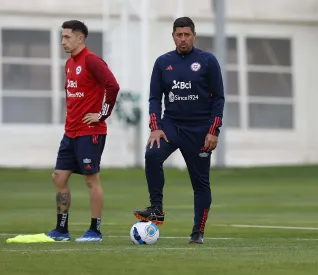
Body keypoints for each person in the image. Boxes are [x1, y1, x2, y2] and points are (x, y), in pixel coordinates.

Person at [133, 16, 225, 244]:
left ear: (194, 35)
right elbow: (154, 98)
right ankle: (156, 208)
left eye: (187, 35)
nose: (183, 39)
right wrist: (155, 128)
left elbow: (219, 99)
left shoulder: (207, 61)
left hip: (200, 131)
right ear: (173, 36)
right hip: (171, 126)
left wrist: (214, 130)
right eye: (178, 35)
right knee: (152, 155)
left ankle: (197, 233)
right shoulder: (163, 62)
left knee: (200, 183)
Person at [46, 20, 120, 242]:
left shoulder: (92, 61)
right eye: (62, 37)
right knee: (58, 177)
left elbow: (113, 86)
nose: (63, 41)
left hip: (91, 131)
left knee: (91, 179)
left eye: (67, 37)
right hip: (71, 132)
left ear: (80, 38)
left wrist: (103, 114)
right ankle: (61, 230)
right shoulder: (69, 64)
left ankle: (95, 230)